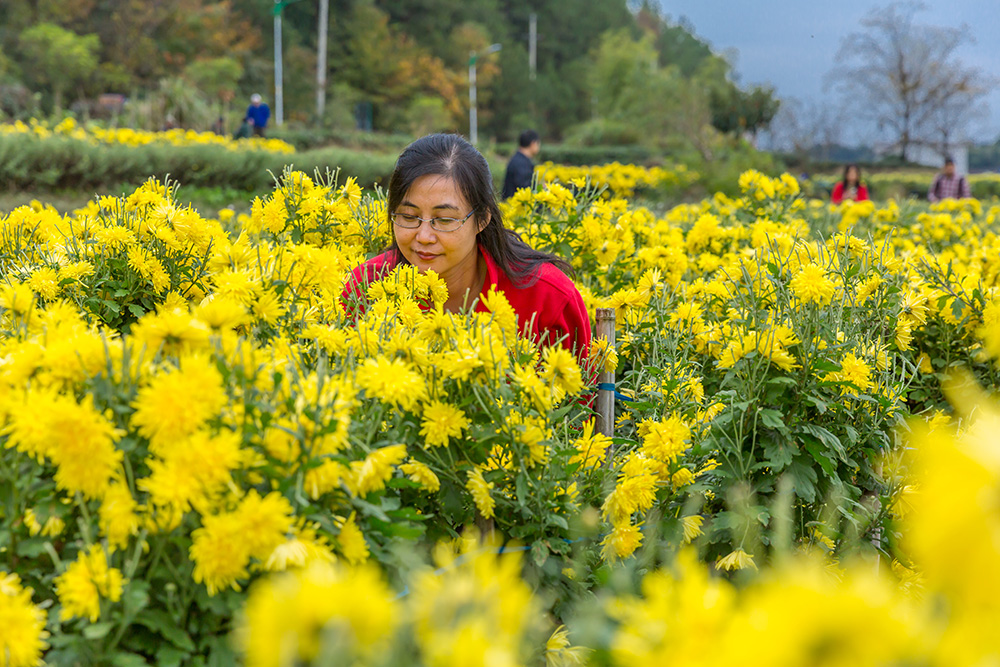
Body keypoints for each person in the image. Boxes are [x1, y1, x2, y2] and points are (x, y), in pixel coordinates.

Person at [343, 133, 591, 358]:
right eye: (408, 216)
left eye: (444, 219)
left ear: (482, 219)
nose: (424, 236)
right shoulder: (364, 287)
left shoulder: (548, 297)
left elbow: (582, 391)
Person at [501, 129, 540, 200]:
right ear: (533, 143)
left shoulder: (518, 159)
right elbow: (526, 188)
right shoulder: (522, 163)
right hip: (516, 204)